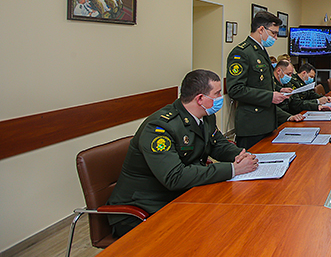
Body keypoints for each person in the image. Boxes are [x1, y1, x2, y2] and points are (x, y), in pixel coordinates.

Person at [107, 70, 259, 238]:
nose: (220, 98)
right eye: (216, 94)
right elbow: (175, 177)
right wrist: (233, 169)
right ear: (200, 99)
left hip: (180, 196)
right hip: (143, 208)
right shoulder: (159, 128)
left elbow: (218, 145)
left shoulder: (206, 117)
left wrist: (240, 155)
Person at [226, 11, 297, 149]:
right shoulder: (242, 53)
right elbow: (235, 89)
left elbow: (262, 83)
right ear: (261, 29)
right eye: (273, 33)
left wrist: (279, 90)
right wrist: (270, 96)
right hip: (252, 125)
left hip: (267, 121)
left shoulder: (260, 50)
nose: (275, 37)